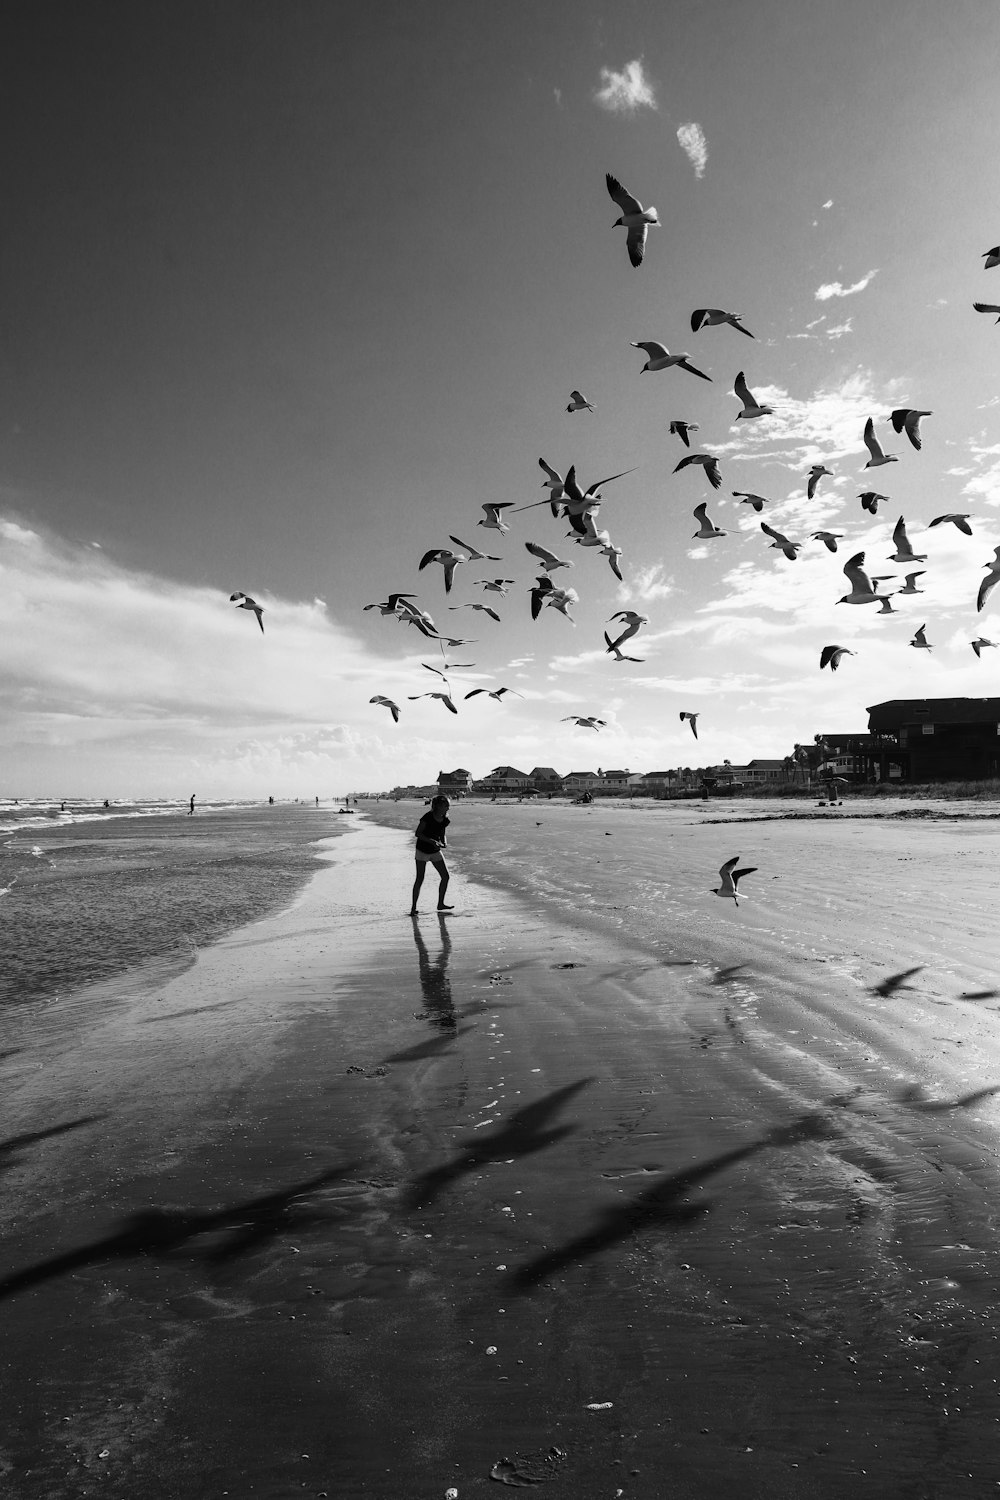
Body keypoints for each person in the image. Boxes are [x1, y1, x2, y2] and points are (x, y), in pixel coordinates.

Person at [411, 795, 453, 914]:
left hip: (435, 851)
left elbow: (442, 833)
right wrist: (431, 841)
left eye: (448, 806)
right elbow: (418, 833)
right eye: (446, 806)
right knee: (420, 878)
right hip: (422, 850)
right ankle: (413, 908)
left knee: (445, 876)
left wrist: (444, 842)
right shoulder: (427, 817)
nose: (448, 808)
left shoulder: (445, 819)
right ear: (437, 806)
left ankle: (440, 903)